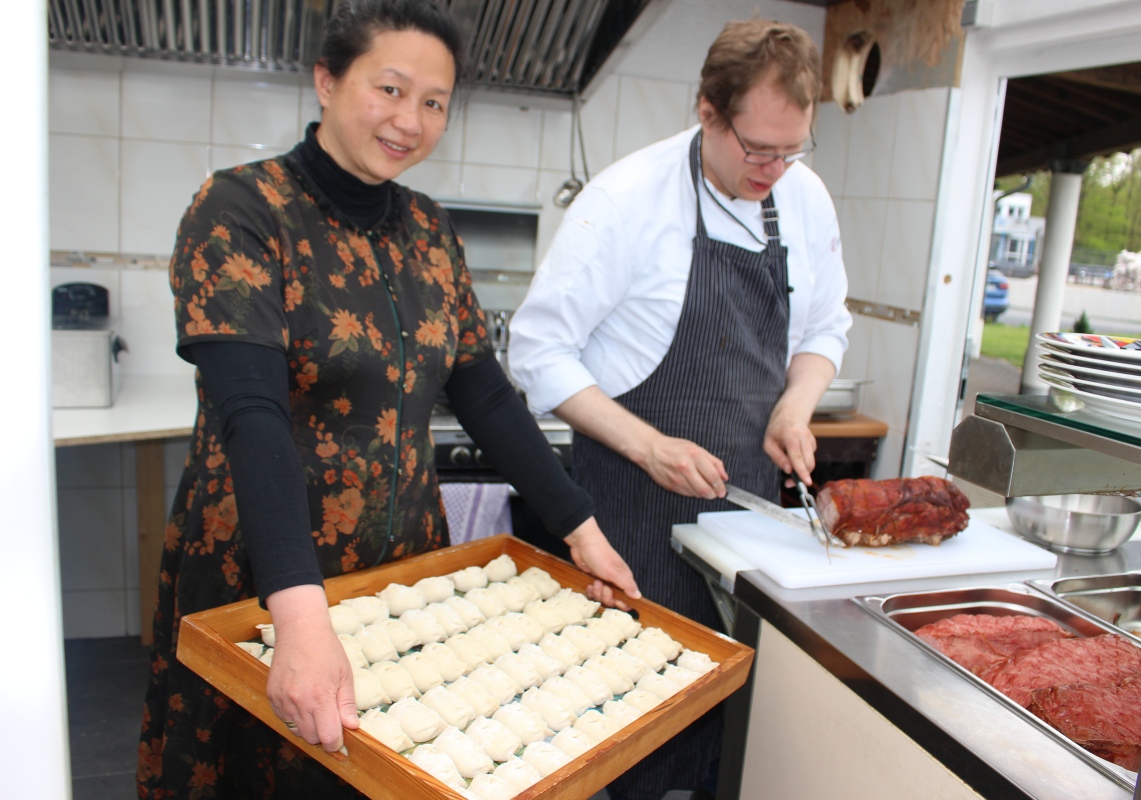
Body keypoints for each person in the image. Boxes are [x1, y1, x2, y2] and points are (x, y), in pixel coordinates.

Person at [136, 2, 638, 797]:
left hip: (398, 571)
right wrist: (299, 618)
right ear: (327, 81)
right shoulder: (241, 209)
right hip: (265, 567)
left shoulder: (431, 233)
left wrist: (580, 528)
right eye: (391, 89)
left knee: (383, 771)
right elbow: (251, 413)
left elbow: (487, 397)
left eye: (434, 102)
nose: (411, 120)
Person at [508, 18, 851, 800]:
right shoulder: (628, 198)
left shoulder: (803, 196)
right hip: (631, 513)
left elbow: (826, 326)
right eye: (756, 149)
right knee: (626, 726)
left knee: (730, 723)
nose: (774, 169)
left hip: (747, 517)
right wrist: (648, 445)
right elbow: (537, 353)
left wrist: (795, 408)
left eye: (792, 151)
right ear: (707, 111)